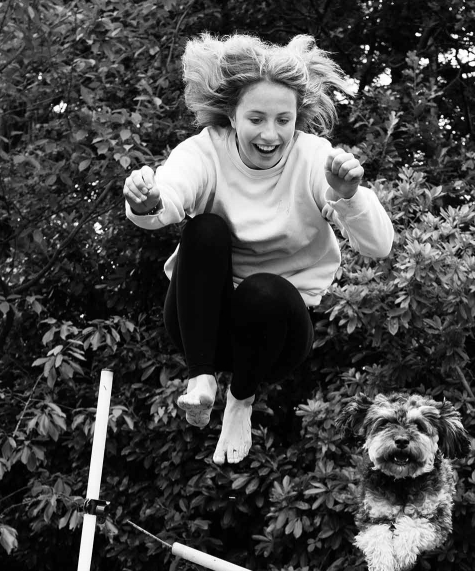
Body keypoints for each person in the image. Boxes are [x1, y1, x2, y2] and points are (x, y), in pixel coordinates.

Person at [124, 33, 394, 464]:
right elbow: (170, 193)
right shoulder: (204, 151)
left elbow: (378, 246)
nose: (271, 135)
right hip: (200, 326)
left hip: (276, 335)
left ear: (296, 119)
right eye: (256, 119)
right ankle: (201, 380)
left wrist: (348, 195)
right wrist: (149, 199)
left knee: (264, 288)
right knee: (205, 228)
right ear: (232, 115)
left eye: (283, 120)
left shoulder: (313, 158)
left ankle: (240, 401)